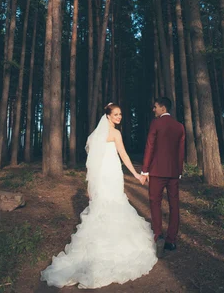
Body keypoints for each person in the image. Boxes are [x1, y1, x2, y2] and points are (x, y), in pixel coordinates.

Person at [40, 103, 157, 289]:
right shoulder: (115, 134)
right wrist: (136, 174)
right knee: (112, 205)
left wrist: (90, 184)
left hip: (103, 176)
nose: (119, 117)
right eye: (116, 114)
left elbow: (92, 163)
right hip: (110, 175)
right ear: (108, 116)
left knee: (105, 206)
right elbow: (123, 155)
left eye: (120, 114)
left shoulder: (96, 135)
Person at [141, 96, 185, 258]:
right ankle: (171, 240)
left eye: (155, 107)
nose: (154, 109)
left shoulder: (156, 124)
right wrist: (179, 171)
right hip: (173, 173)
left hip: (157, 171)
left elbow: (150, 146)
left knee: (155, 202)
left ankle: (158, 234)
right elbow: (181, 152)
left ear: (163, 108)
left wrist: (145, 170)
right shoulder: (179, 127)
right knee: (174, 205)